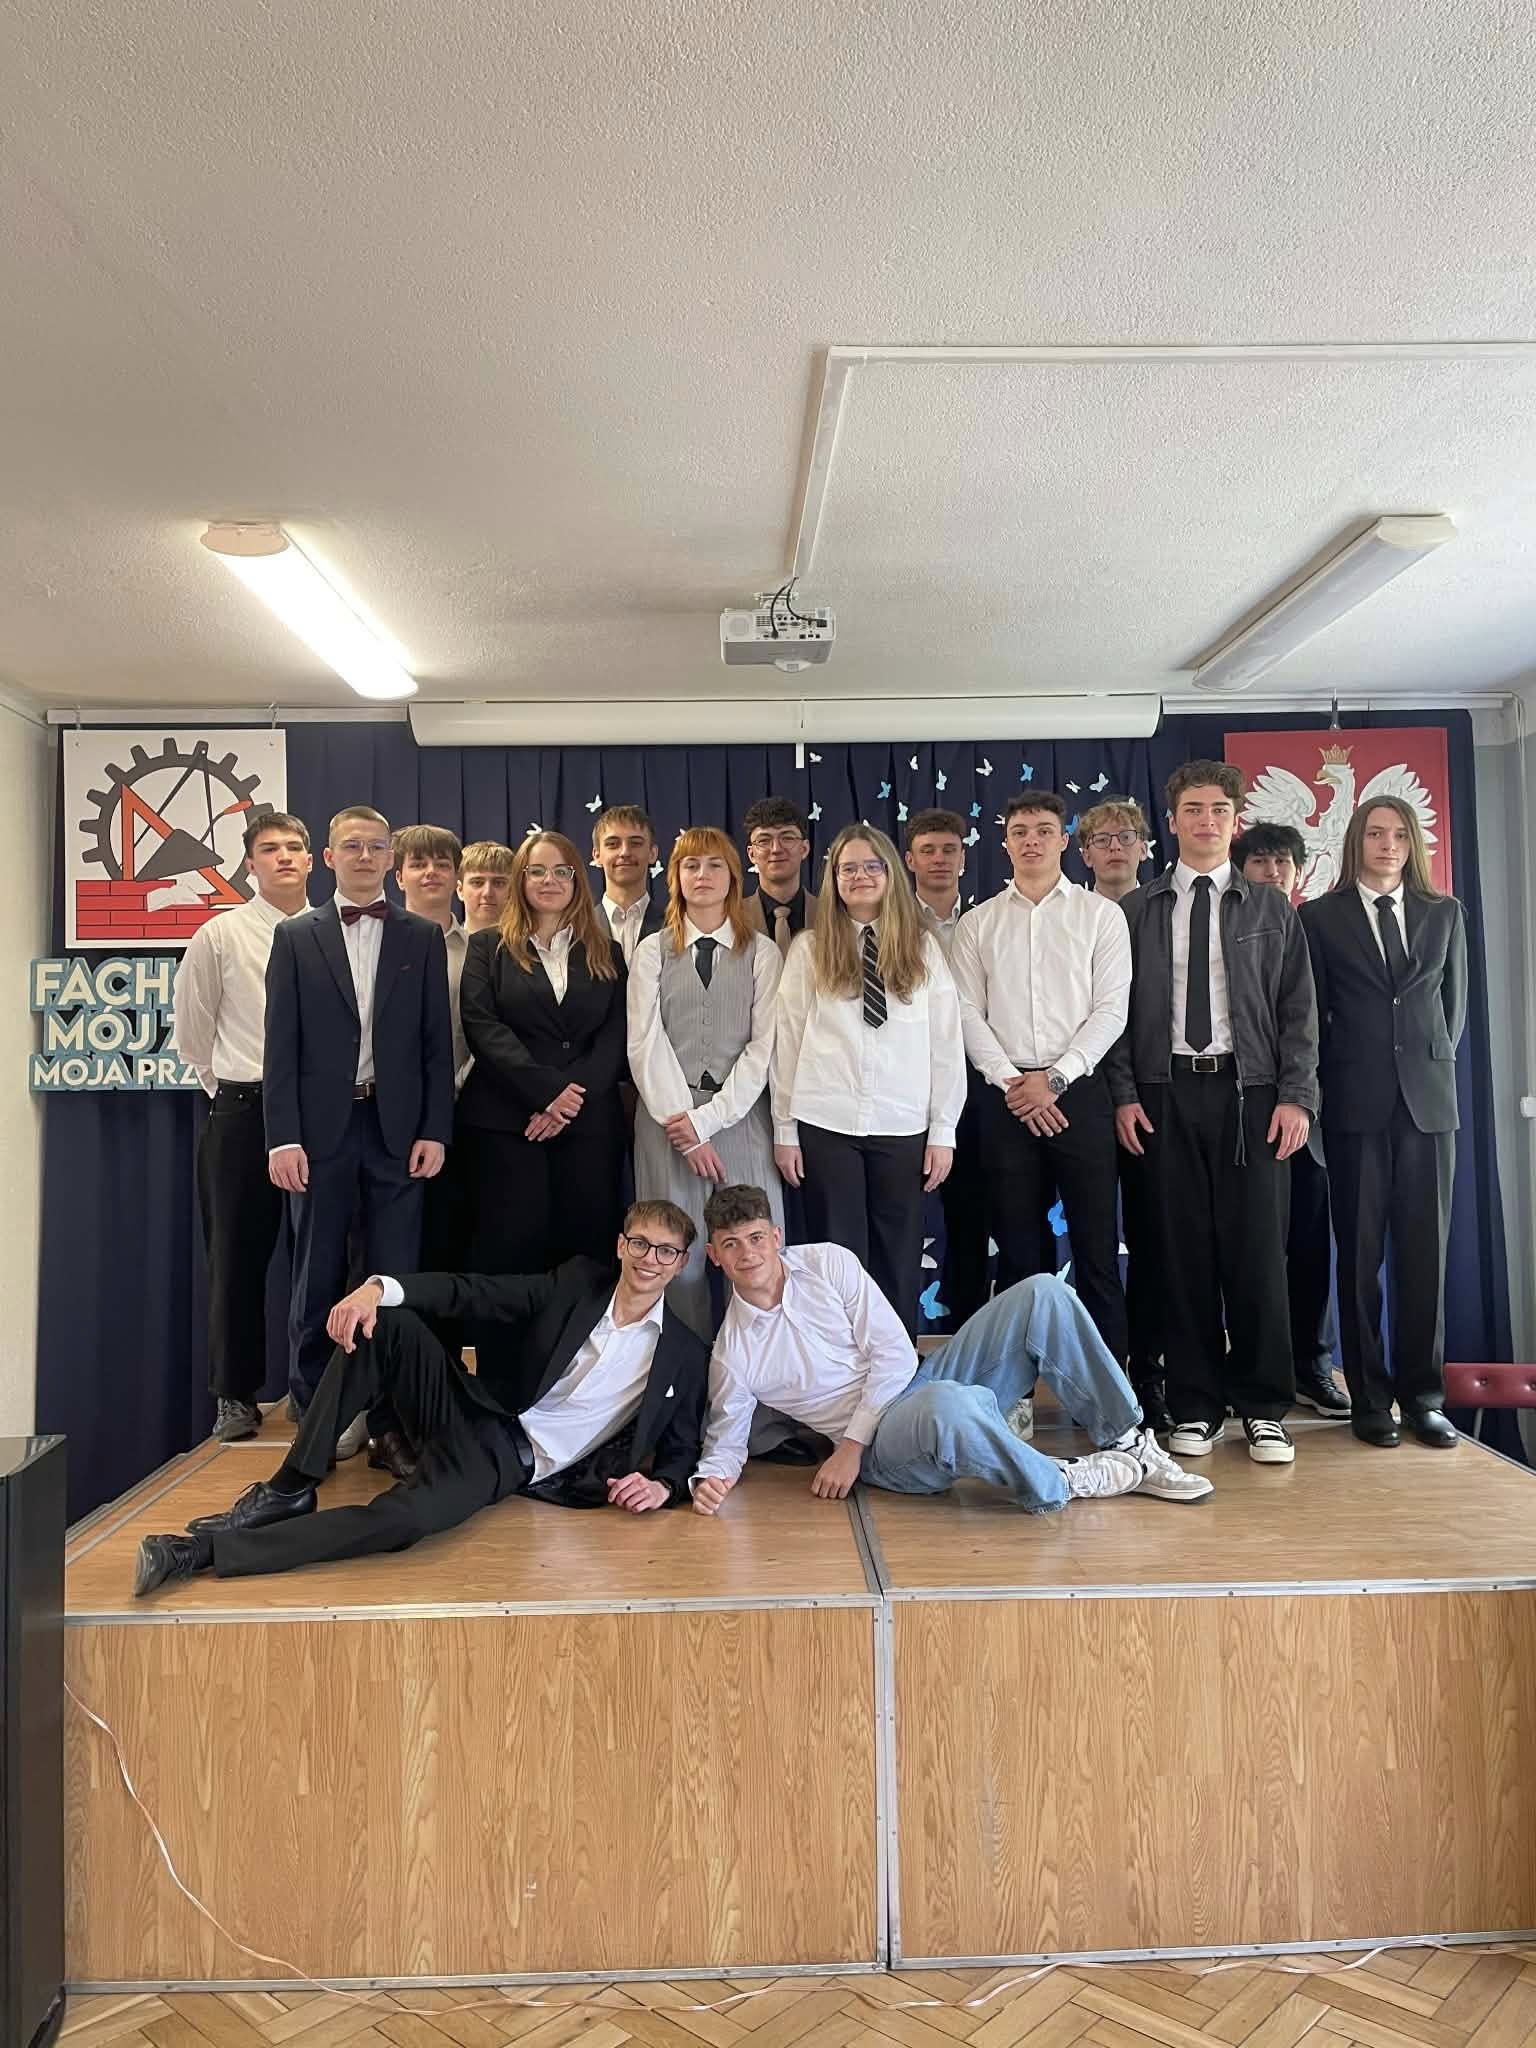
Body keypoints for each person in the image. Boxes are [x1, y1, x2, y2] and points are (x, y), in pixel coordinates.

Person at [131, 1201, 711, 1595]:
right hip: (473, 1408)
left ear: (682, 1263)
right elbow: (474, 1293)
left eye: (666, 1251)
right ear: (620, 1245)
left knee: (402, 1523)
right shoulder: (577, 1284)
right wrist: (377, 1288)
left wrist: (666, 1484)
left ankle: (199, 1554)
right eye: (641, 1243)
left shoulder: (684, 1353)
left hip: (503, 1462)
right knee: (386, 1322)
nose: (650, 1259)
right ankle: (290, 1486)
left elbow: (684, 1446)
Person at [689, 1185, 1211, 1515]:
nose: (747, 1253)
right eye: (731, 1244)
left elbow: (894, 1354)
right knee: (947, 1403)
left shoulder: (828, 1262)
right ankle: (1060, 1480)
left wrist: (846, 1446)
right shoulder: (734, 1353)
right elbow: (726, 1439)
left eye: (755, 1238)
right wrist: (711, 1480)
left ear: (776, 1236)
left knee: (1043, 1293)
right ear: (714, 1256)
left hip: (911, 1386)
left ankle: (1128, 1442)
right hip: (883, 1449)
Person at [1107, 760, 1318, 1465]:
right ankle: (1195, 1405)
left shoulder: (1270, 909)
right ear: (1171, 821)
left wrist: (1296, 1096)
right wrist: (1125, 1094)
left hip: (1250, 1094)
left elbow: (1299, 1012)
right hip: (1163, 1094)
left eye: (1219, 810)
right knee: (1179, 1254)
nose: (1206, 821)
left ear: (1235, 820)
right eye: (1193, 809)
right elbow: (1112, 1015)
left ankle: (1264, 1408)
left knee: (1256, 1254)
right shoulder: (1135, 911)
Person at [264, 805, 453, 1450]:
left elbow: (435, 1044)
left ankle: (389, 1421)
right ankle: (318, 1418)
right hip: (321, 1133)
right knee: (316, 1273)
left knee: (393, 1277)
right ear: (329, 857)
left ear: (390, 859)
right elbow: (280, 1047)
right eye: (352, 846)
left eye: (376, 846)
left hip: (397, 1130)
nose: (365, 856)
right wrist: (283, 1136)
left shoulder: (421, 937)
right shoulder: (295, 936)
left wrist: (435, 1129)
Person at [1300, 798, 1468, 1449]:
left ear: (1412, 844)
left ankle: (1423, 1398)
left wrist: (1422, 1066)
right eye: (1375, 833)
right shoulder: (1320, 917)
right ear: (1357, 842)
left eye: (1399, 834)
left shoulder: (1444, 913)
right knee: (1360, 1257)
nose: (1388, 844)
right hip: (1354, 1106)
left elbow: (1452, 1012)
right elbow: (1313, 1016)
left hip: (1428, 1107)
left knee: (1425, 1259)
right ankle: (1371, 1400)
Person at [950, 793, 1131, 1365]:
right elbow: (965, 1013)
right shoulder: (978, 923)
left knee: (1096, 1251)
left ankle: (1110, 1391)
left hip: (1080, 1093)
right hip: (1005, 1101)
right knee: (1020, 1255)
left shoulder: (1100, 916)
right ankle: (1019, 1388)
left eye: (1044, 830)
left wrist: (1054, 1079)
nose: (1032, 840)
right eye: (1021, 830)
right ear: (1005, 842)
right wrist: (1013, 1082)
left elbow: (1111, 1011)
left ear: (1064, 841)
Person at [772, 823, 964, 1335]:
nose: (859, 876)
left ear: (891, 873)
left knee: (897, 1253)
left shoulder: (923, 950)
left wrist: (943, 1131)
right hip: (825, 1122)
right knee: (837, 1256)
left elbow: (946, 1046)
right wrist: (785, 1130)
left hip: (902, 1124)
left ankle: (895, 1365)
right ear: (833, 879)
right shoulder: (810, 950)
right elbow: (786, 1045)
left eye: (871, 866)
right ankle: (839, 1364)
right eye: (848, 868)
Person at [172, 812, 313, 1442]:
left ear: (311, 859)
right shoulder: (220, 935)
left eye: (294, 847)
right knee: (236, 1255)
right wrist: (240, 1093)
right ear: (249, 863)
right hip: (242, 1112)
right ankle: (235, 1395)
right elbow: (194, 1037)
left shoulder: (334, 931)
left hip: (321, 1113)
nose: (283, 857)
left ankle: (313, 1389)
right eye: (269, 849)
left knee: (321, 1258)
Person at [457, 831, 628, 1311]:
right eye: (537, 871)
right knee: (507, 1250)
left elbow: (615, 1036)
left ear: (577, 879)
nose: (549, 881)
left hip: (588, 1124)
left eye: (560, 871)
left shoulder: (606, 950)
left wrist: (568, 1102)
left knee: (586, 1249)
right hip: (505, 1122)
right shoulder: (487, 947)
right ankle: (501, 1358)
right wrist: (546, 1092)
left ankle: (577, 1354)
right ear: (521, 879)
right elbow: (482, 1026)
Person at [627, 827, 783, 1339]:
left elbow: (763, 1048)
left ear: (734, 877)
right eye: (691, 865)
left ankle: (758, 1372)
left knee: (752, 1253)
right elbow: (644, 1042)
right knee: (676, 1259)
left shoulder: (762, 953)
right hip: (665, 1123)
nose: (702, 875)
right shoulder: (652, 950)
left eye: (715, 865)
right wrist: (685, 1128)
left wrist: (707, 1123)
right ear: (674, 877)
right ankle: (685, 1375)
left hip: (741, 1120)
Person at [1232, 821, 1350, 1422]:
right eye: (1260, 862)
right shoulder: (1231, 930)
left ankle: (1312, 1364)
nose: (1272, 871)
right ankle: (1244, 1370)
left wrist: (1303, 1097)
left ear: (1300, 872)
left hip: (1314, 1118)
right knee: (1247, 1251)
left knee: (1308, 1247)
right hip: (1247, 1114)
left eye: (1282, 862)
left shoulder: (1320, 927)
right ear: (1241, 871)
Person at [1077, 798, 1164, 1423]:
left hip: (1152, 1104)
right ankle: (1097, 1381)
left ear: (1145, 847)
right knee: (1095, 1251)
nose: (1114, 847)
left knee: (1155, 1241)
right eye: (1101, 840)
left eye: (1126, 837)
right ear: (1083, 853)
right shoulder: (1072, 918)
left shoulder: (1167, 914)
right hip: (1085, 1100)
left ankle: (1151, 1375)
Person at [904, 808, 989, 1328]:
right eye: (928, 850)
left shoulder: (985, 922)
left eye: (949, 850)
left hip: (978, 1087)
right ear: (909, 860)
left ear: (963, 857)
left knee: (972, 1218)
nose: (939, 859)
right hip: (908, 1089)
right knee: (902, 1220)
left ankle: (973, 1336)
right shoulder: (890, 926)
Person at [392, 825, 469, 1084]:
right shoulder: (377, 947)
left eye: (442, 864)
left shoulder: (477, 952)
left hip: (465, 1096)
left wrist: (460, 1084)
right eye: (418, 864)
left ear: (457, 878)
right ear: (399, 878)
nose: (431, 872)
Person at [741, 798, 819, 956]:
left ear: (804, 849)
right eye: (764, 840)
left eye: (787, 838)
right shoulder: (731, 918)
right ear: (751, 854)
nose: (776, 849)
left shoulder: (832, 915)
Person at [592, 805, 665, 966]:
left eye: (635, 843)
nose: (625, 852)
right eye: (613, 844)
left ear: (652, 854)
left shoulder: (675, 927)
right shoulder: (579, 930)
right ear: (597, 856)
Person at [456, 840, 517, 935]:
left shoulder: (531, 943)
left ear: (513, 890)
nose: (487, 893)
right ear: (460, 890)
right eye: (477, 883)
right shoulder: (440, 943)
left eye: (499, 883)